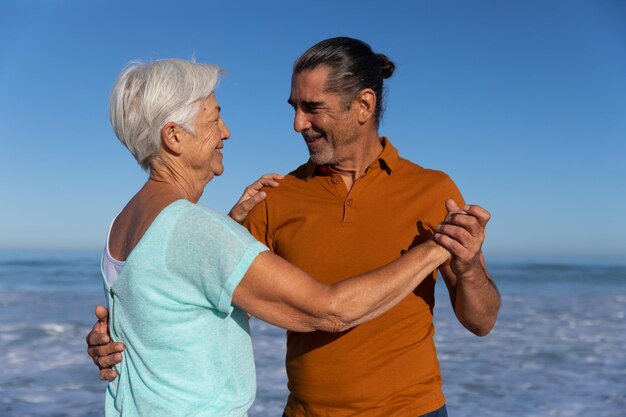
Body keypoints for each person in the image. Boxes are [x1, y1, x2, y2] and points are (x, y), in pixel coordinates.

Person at [89, 38, 501, 417]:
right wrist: (122, 334)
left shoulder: (434, 190)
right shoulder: (275, 197)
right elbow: (200, 287)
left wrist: (468, 268)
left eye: (312, 108)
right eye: (294, 108)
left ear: (363, 105)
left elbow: (481, 322)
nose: (298, 123)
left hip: (416, 410)